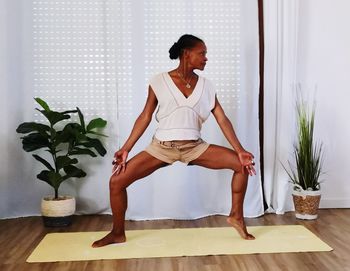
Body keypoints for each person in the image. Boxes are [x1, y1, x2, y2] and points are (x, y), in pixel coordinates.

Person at [92, 34, 256, 248]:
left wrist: (240, 150)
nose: (206, 58)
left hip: (195, 147)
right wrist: (125, 149)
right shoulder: (159, 81)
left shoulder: (207, 86)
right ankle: (117, 232)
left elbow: (222, 118)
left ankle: (236, 216)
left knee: (241, 164)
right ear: (186, 54)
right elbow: (145, 117)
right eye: (202, 53)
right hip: (162, 148)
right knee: (116, 182)